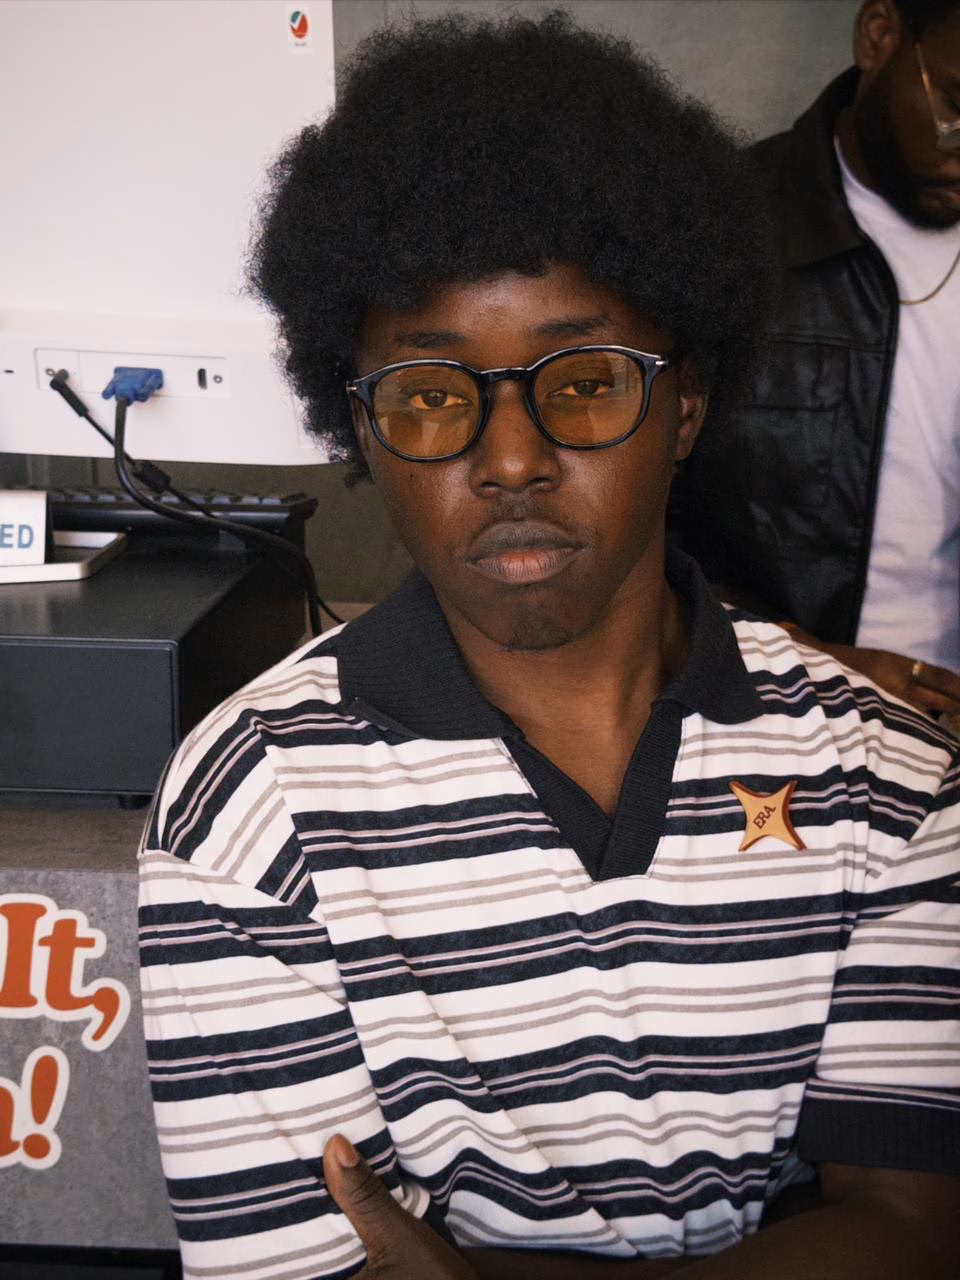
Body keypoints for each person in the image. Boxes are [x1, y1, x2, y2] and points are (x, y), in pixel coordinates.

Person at [137, 11, 960, 1280]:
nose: (511, 459)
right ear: (358, 430)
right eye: (429, 396)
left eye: (583, 383)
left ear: (685, 406)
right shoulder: (247, 808)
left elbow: (912, 1233)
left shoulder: (890, 779)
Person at [671, 0, 960, 727]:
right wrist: (805, 660)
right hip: (778, 720)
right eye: (957, 107)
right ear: (880, 35)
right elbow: (627, 529)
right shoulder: (714, 233)